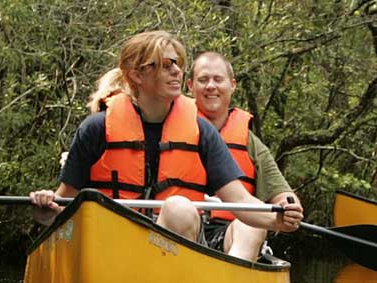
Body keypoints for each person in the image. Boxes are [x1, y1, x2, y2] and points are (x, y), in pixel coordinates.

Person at [28, 31, 302, 259]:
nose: (177, 71)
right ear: (137, 75)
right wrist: (45, 210)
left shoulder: (201, 130)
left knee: (179, 207)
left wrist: (277, 220)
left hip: (172, 264)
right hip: (112, 252)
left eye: (178, 64)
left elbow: (240, 201)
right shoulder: (96, 129)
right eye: (166, 64)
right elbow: (62, 205)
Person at [188, 51, 302, 261]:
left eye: (218, 79)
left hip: (230, 233)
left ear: (232, 85)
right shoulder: (170, 130)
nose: (211, 86)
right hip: (185, 230)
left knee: (250, 226)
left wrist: (289, 208)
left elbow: (284, 194)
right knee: (178, 212)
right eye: (203, 80)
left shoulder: (251, 144)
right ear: (190, 86)